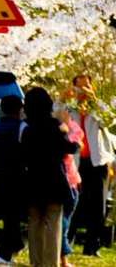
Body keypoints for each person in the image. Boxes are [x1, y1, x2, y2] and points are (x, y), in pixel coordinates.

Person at [22, 87, 81, 267]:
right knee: (53, 226)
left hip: (32, 180)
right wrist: (67, 131)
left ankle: (36, 262)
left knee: (34, 224)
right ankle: (51, 263)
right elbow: (71, 148)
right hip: (54, 181)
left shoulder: (27, 129)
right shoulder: (54, 126)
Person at [65, 74, 115, 256]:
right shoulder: (69, 110)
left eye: (87, 87)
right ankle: (66, 242)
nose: (83, 92)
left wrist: (94, 101)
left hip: (98, 161)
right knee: (74, 203)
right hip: (76, 163)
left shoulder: (97, 110)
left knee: (98, 206)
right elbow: (57, 115)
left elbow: (110, 120)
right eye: (79, 88)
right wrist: (65, 97)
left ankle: (92, 246)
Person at [0, 94, 26, 264]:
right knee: (12, 218)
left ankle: (13, 247)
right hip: (17, 178)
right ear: (20, 109)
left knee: (9, 217)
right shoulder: (20, 128)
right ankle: (4, 253)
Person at [56, 102, 84, 266]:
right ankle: (63, 257)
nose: (69, 114)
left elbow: (78, 136)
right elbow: (74, 145)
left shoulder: (67, 128)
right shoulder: (58, 131)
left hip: (73, 179)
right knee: (63, 222)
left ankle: (62, 256)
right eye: (66, 112)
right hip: (65, 180)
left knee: (65, 220)